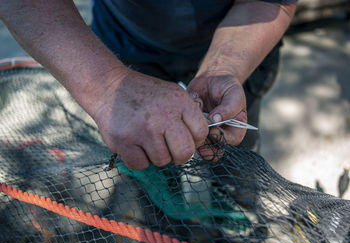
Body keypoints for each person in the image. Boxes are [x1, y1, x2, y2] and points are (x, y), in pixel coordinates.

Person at [0, 0, 297, 170]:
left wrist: (222, 68)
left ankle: (236, 230)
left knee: (232, 165)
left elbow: (271, 2)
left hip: (240, 58)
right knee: (152, 175)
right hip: (122, 46)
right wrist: (109, 87)